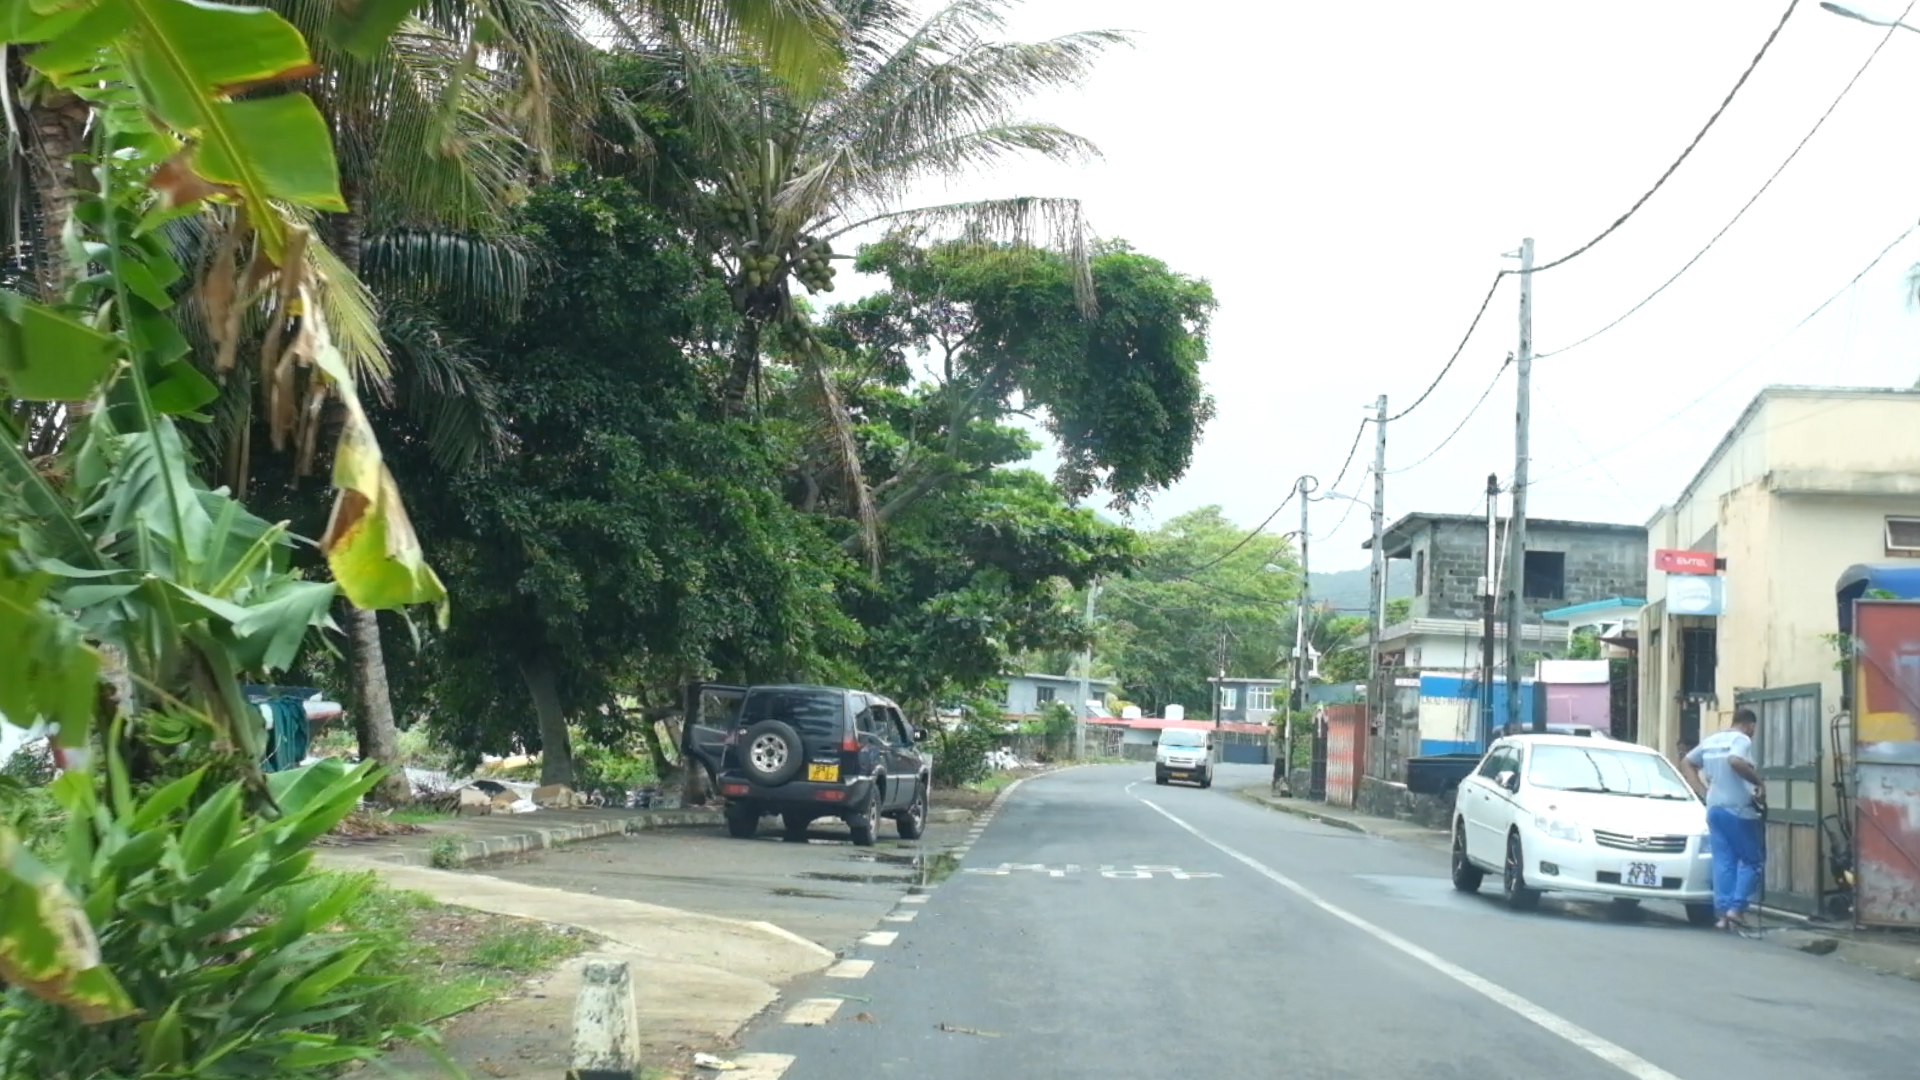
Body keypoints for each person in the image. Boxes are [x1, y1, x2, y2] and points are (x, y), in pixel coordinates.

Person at [1681, 708, 1766, 930]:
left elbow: (1687, 762)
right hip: (1738, 809)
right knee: (1751, 861)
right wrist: (1758, 782)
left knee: (1723, 861)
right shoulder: (1741, 739)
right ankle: (1736, 909)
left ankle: (1722, 916)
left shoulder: (1712, 740)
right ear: (1751, 726)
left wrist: (1701, 790)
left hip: (1714, 808)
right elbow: (1735, 760)